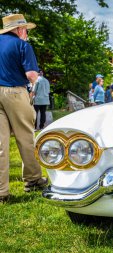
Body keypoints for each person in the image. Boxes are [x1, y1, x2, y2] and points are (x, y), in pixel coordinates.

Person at [0, 14, 48, 202]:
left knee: (1, 145)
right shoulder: (22, 45)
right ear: (19, 29)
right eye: (26, 29)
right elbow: (32, 75)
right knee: (26, 137)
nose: (27, 32)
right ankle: (33, 179)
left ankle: (2, 192)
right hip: (14, 92)